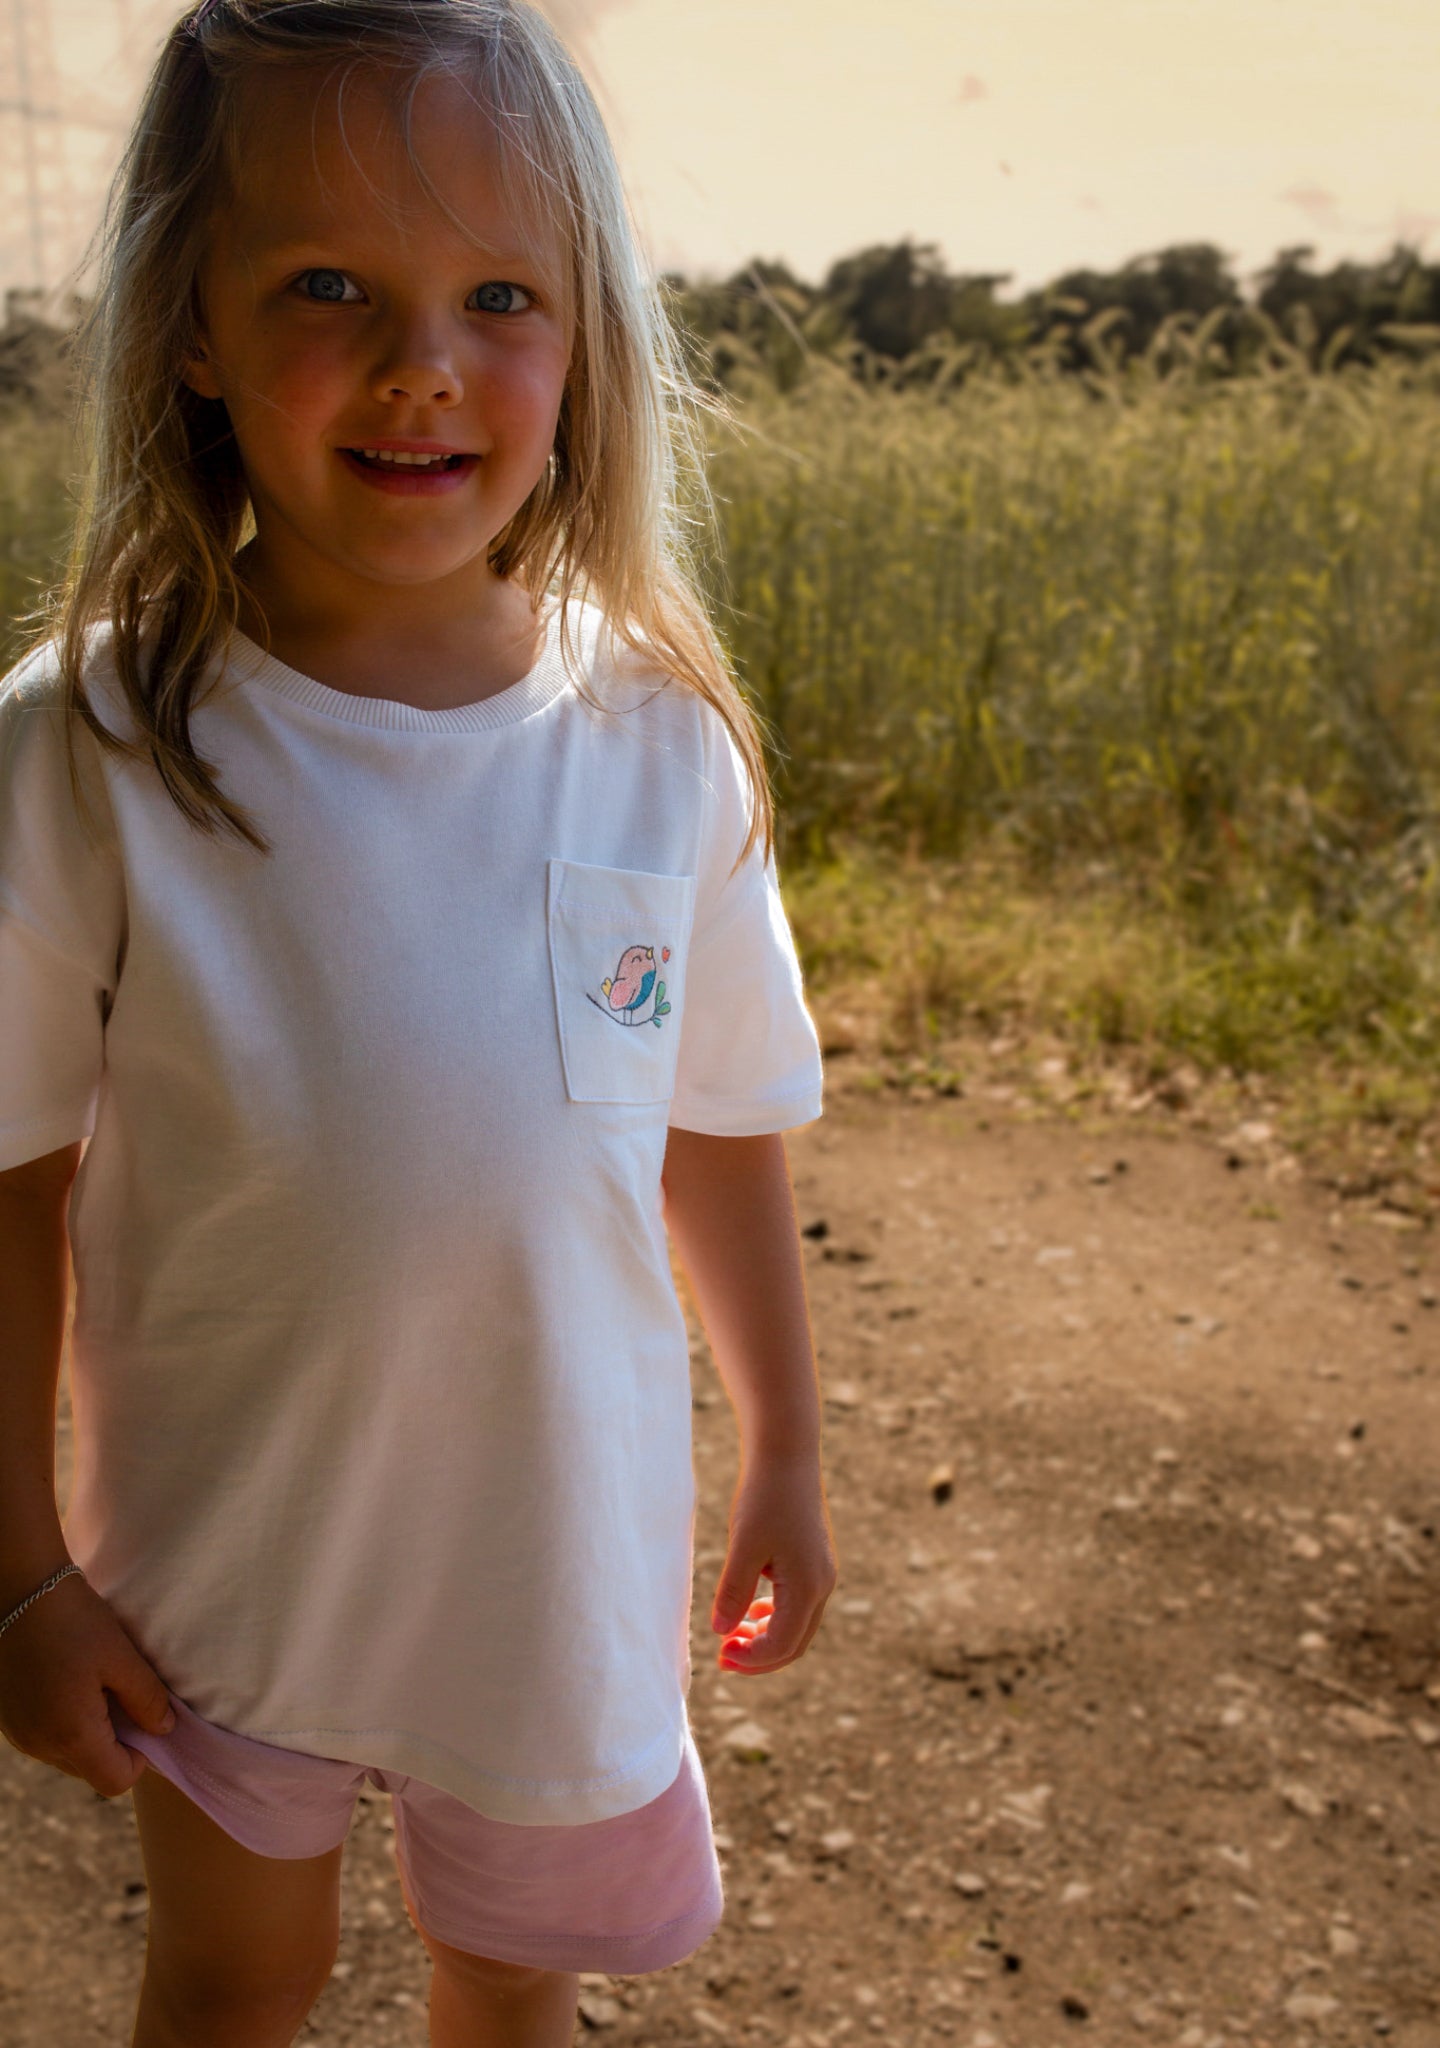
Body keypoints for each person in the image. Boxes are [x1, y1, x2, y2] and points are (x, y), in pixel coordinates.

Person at [0, 2, 837, 2042]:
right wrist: (18, 1568)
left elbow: (716, 1119)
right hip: (219, 1569)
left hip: (543, 1573)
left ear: (587, 341)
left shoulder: (658, 744)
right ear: (186, 324)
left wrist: (790, 1448)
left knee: (510, 1986)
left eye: (499, 295)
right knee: (233, 1978)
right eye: (324, 285)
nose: (420, 363)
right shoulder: (91, 745)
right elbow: (9, 1180)